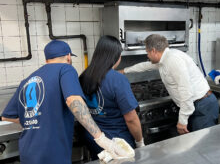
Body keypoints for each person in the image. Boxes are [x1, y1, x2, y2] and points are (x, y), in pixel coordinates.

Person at [1, 40, 133, 164]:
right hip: (52, 150)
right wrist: (101, 139)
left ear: (47, 59)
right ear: (68, 56)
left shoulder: (27, 80)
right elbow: (73, 100)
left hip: (27, 151)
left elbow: (7, 116)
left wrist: (38, 119)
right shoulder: (65, 69)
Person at [119, 34, 219, 135]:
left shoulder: (172, 60)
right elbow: (146, 66)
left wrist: (182, 121)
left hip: (202, 107)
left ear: (153, 51)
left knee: (202, 146)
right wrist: (124, 70)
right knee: (192, 143)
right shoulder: (165, 58)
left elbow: (186, 91)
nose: (147, 56)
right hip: (195, 105)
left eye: (147, 52)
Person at [79, 35, 144, 160]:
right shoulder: (117, 79)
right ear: (116, 56)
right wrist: (140, 142)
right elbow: (131, 119)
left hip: (94, 140)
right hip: (118, 142)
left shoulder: (83, 76)